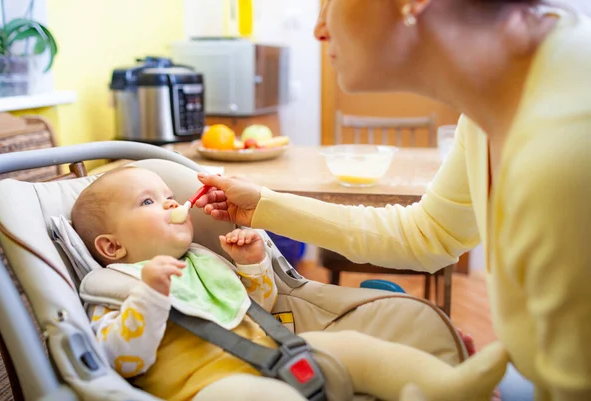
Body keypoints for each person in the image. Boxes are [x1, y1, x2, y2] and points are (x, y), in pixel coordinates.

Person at [194, 1, 591, 400]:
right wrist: (264, 204)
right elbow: (429, 233)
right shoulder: (493, 105)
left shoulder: (564, 152)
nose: (318, 28)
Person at [70, 166, 508, 401]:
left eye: (167, 194)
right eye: (148, 201)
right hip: (209, 389)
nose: (169, 202)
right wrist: (150, 295)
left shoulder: (201, 259)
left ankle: (444, 387)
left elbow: (259, 307)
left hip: (278, 352)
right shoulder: (111, 286)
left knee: (360, 350)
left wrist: (252, 266)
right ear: (111, 246)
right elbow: (123, 360)